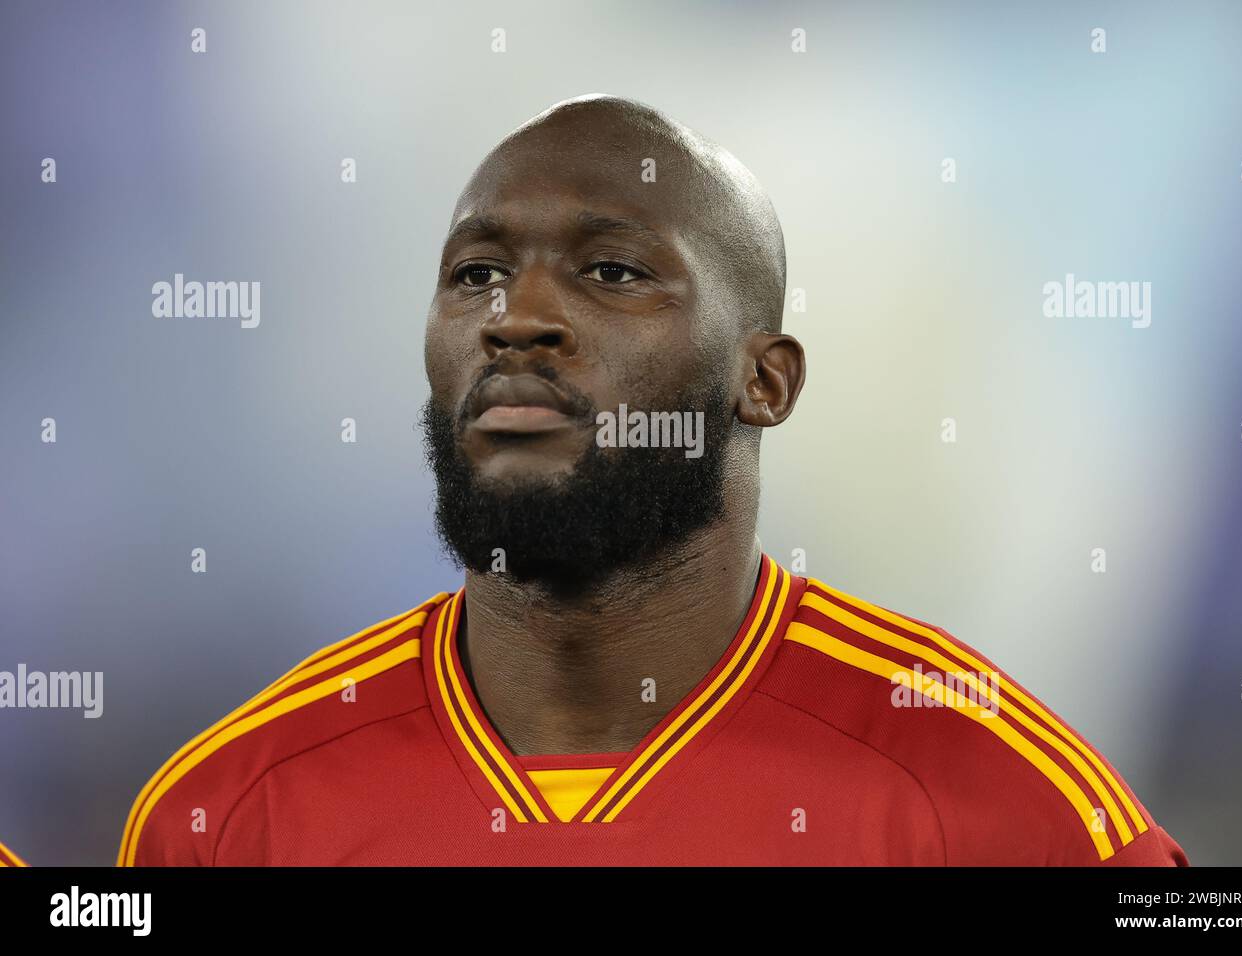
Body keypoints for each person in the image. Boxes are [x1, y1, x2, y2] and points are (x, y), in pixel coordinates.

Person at [119, 94, 1187, 866]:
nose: (514, 317)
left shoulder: (997, 796)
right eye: (476, 273)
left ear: (762, 380)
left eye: (613, 271)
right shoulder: (225, 813)